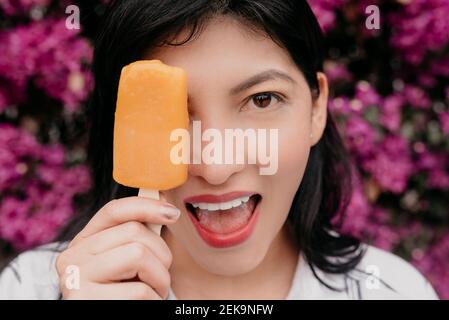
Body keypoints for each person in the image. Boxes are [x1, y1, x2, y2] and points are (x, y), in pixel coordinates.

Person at [0, 0, 438, 300]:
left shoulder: (392, 290)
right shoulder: (33, 287)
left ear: (317, 109)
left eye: (262, 100)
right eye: (173, 112)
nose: (215, 165)